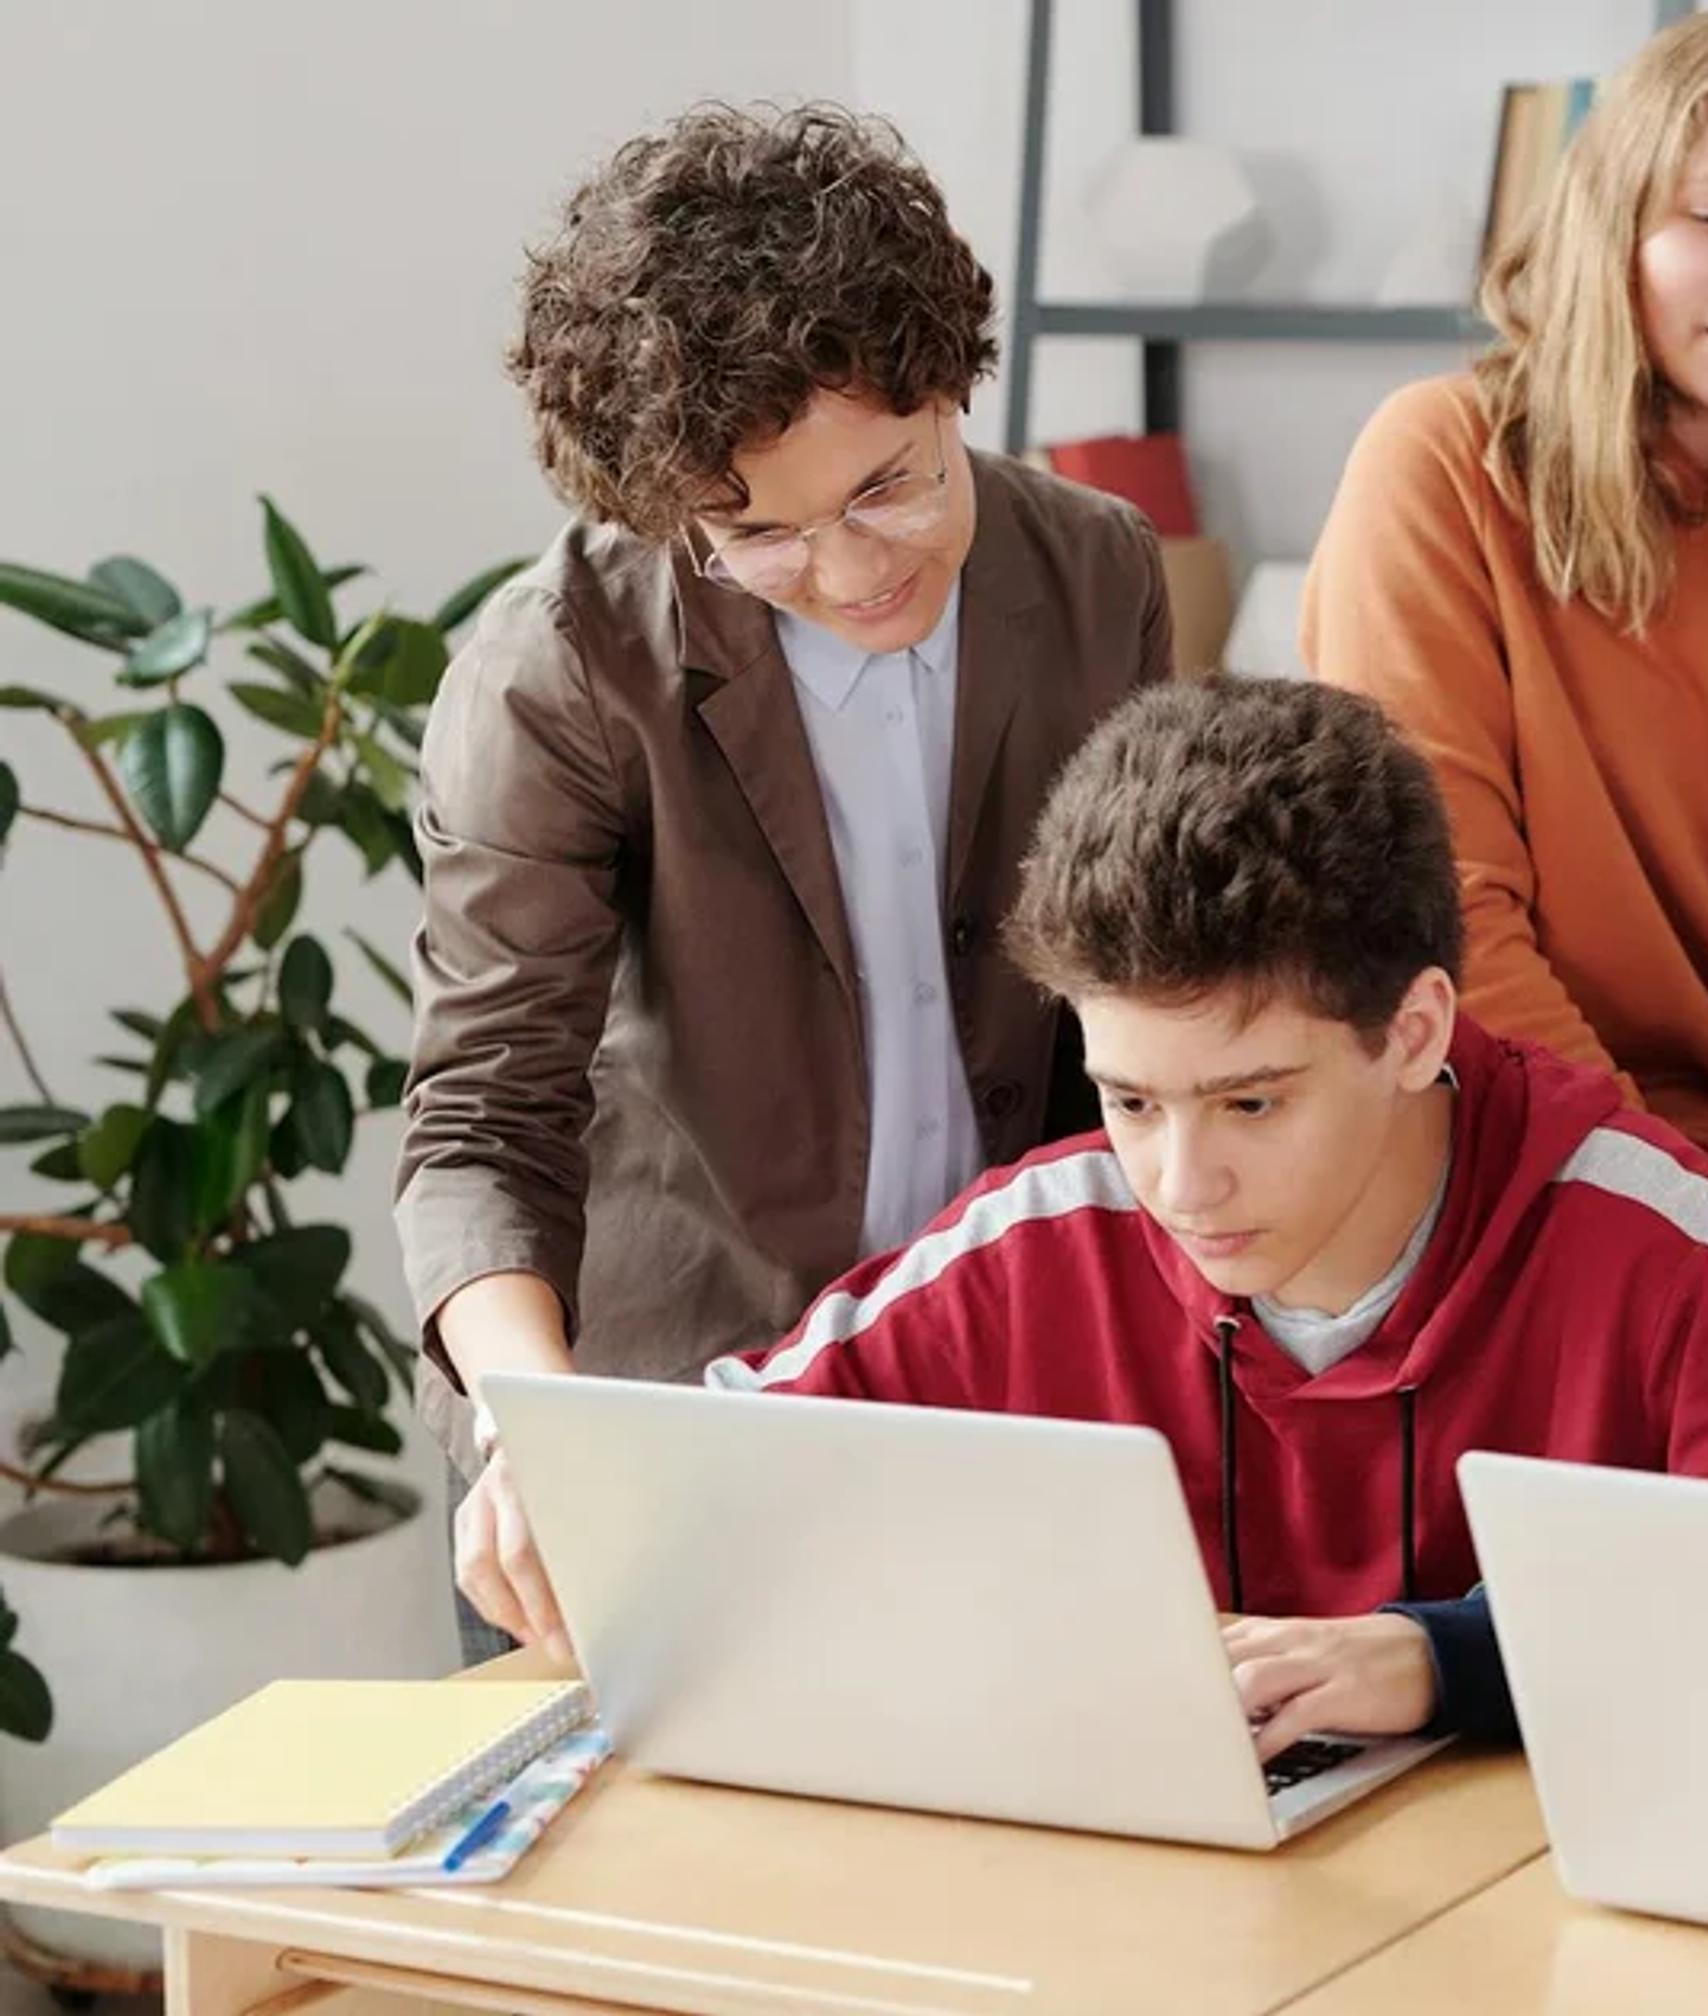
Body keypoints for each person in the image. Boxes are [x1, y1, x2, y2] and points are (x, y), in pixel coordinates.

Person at [457, 679, 1708, 1749]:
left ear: (1416, 1032)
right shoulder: (1047, 1236)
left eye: (1251, 1103)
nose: (1177, 1185)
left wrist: (1453, 1664)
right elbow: (705, 1475)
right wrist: (563, 1499)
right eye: (1131, 1099)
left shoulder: (1647, 1236)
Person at [402, 103, 1166, 1659]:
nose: (852, 566)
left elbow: (1137, 1013)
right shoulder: (556, 672)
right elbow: (483, 1116)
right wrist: (542, 1439)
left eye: (892, 486)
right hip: (667, 1440)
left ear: (953, 379)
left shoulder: (1096, 574)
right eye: (759, 534)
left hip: (1016, 1410)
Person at [1305, 11, 1708, 1385]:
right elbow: (1449, 911)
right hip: (1507, 1172)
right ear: (1616, 225)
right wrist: (1675, 1217)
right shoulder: (1443, 467)